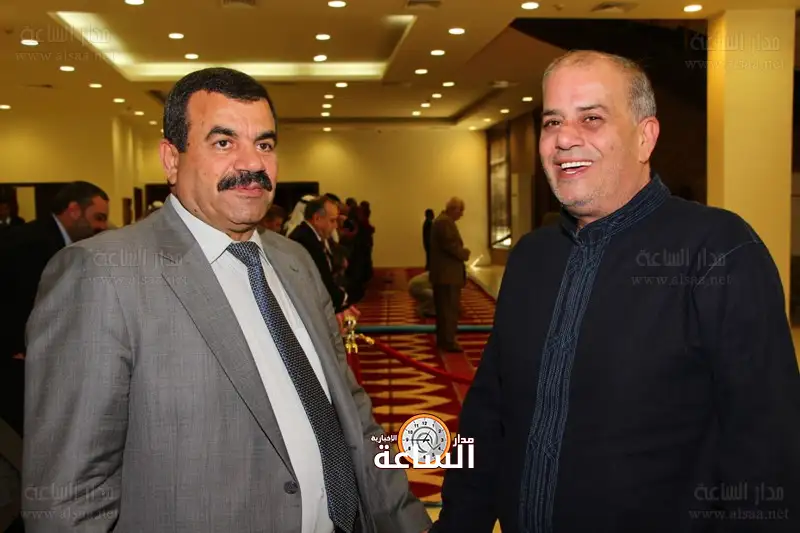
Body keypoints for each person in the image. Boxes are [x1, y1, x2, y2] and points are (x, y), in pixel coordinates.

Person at [23, 67, 431, 533]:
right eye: (223, 142)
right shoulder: (102, 275)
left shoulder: (294, 261)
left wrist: (408, 522)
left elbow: (353, 415)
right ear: (171, 159)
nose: (252, 163)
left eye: (265, 144)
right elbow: (68, 501)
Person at [432, 50, 800, 533]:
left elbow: (768, 450)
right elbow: (487, 417)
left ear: (645, 137)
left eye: (591, 118)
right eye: (552, 121)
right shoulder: (530, 258)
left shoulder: (718, 251)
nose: (564, 138)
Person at [429, 198, 470, 352]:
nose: (461, 214)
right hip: (447, 275)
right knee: (448, 310)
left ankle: (444, 339)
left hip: (444, 274)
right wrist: (464, 253)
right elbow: (451, 246)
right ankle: (448, 341)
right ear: (453, 209)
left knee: (444, 310)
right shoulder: (445, 223)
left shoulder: (441, 221)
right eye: (461, 210)